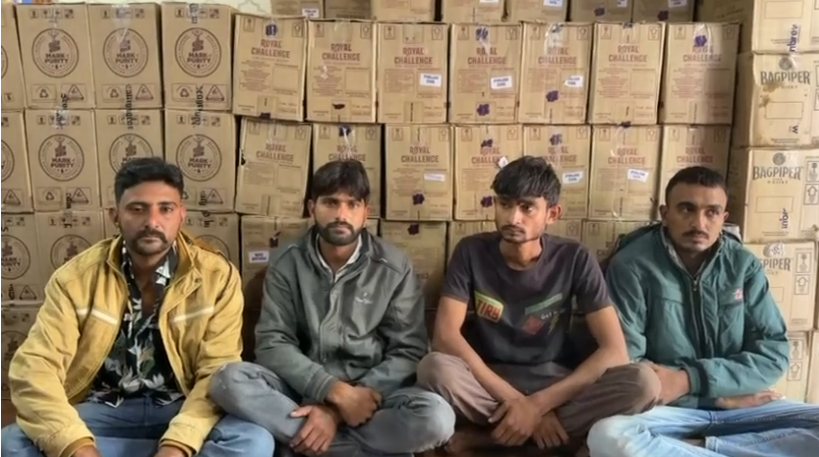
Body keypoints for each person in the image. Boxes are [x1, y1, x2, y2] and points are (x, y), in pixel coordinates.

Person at [0, 158, 274, 457]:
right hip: (103, 409)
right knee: (11, 442)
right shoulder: (75, 279)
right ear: (115, 215)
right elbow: (35, 367)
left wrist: (176, 447)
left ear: (181, 215)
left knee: (254, 441)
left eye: (165, 209)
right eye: (137, 209)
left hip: (182, 407)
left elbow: (216, 371)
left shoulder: (216, 276)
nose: (152, 222)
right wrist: (78, 448)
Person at [209, 160, 455, 457]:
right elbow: (273, 343)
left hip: (372, 396)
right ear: (312, 208)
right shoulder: (287, 262)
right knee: (228, 380)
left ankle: (307, 442)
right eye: (331, 203)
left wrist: (342, 408)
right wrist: (331, 391)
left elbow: (408, 350)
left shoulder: (393, 266)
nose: (341, 214)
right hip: (301, 390)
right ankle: (346, 445)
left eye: (352, 204)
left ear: (366, 212)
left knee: (437, 419)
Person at [417, 156, 661, 455]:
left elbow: (615, 351)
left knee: (644, 383)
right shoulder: (471, 251)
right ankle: (557, 438)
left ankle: (490, 439)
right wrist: (522, 405)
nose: (513, 217)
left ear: (552, 213)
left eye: (527, 207)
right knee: (434, 368)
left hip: (555, 381)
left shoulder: (575, 258)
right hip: (488, 381)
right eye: (504, 204)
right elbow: (445, 336)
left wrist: (539, 405)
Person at [588, 166, 819, 457]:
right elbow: (629, 362)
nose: (699, 223)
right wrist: (712, 399)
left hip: (741, 408)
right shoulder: (632, 265)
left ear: (724, 218)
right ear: (665, 213)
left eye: (712, 212)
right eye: (687, 209)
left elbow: (773, 353)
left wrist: (690, 379)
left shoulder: (742, 266)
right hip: (670, 410)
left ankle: (700, 448)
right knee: (609, 436)